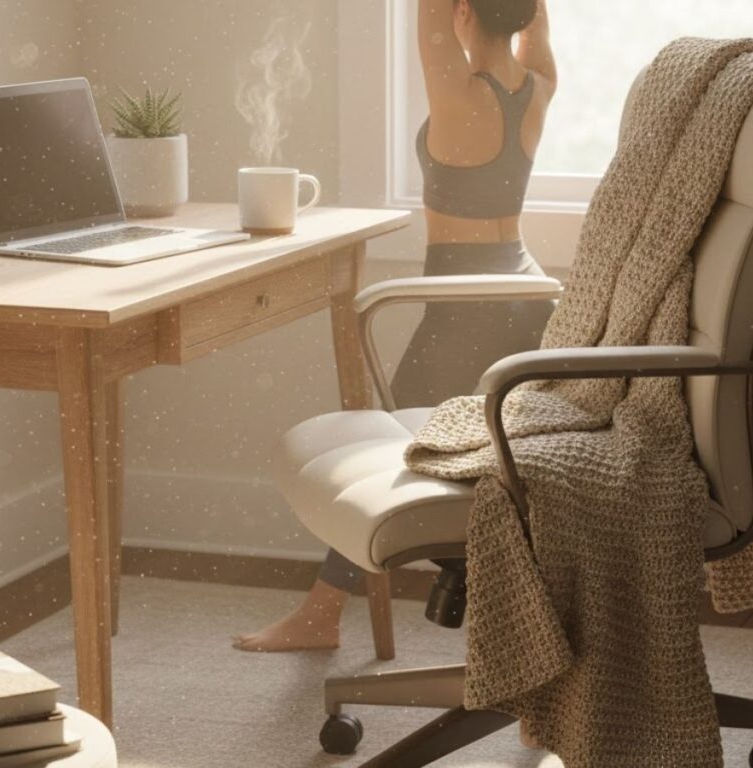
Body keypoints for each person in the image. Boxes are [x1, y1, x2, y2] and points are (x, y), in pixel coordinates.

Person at [234, 0, 557, 653]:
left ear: (464, 10)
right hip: (527, 293)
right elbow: (535, 25)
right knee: (510, 472)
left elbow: (431, 17)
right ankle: (526, 636)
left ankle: (322, 615)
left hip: (464, 305)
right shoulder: (539, 86)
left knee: (385, 459)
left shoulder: (459, 93)